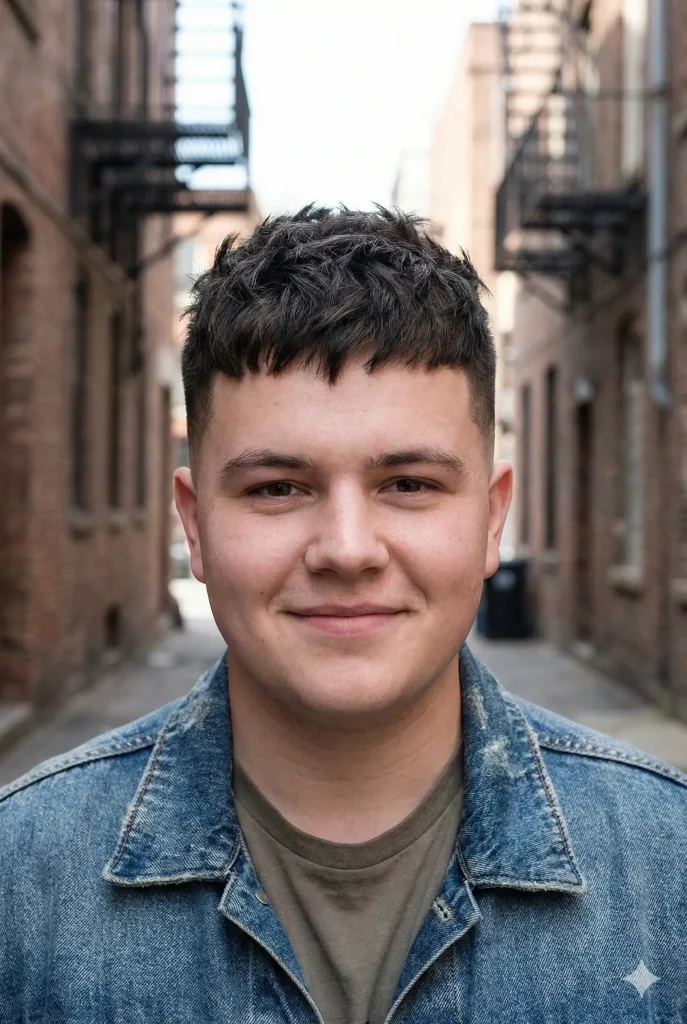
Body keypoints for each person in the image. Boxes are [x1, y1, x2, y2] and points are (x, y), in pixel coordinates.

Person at [1, 207, 685, 1024]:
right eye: (277, 488)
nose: (347, 550)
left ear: (491, 518)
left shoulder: (665, 865)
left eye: (409, 485)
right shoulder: (23, 880)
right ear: (194, 524)